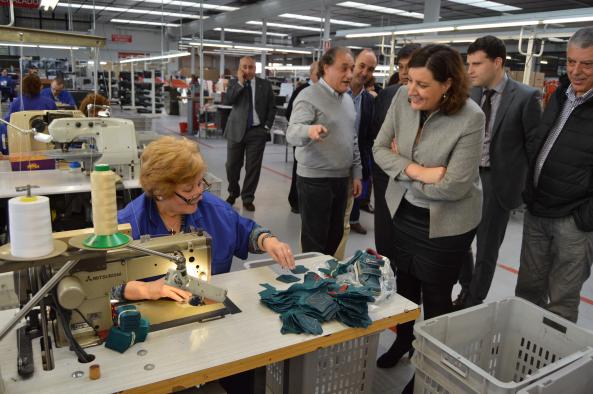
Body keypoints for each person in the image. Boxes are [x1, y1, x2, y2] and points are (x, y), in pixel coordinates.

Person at [372, 45, 484, 391]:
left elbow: (454, 186)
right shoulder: (402, 101)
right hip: (404, 212)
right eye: (410, 81)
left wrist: (402, 170)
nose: (412, 90)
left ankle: (428, 369)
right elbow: (378, 150)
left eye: (422, 84)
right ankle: (404, 340)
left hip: (447, 223)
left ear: (447, 84)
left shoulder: (470, 117)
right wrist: (418, 170)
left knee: (436, 299)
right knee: (404, 288)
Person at [117, 136, 295, 287]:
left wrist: (269, 242)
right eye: (188, 189)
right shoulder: (129, 224)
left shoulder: (215, 211)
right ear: (159, 192)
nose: (199, 193)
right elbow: (107, 286)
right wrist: (145, 290)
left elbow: (247, 233)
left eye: (200, 183)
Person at [454, 36, 542, 308]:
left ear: (497, 62)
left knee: (486, 250)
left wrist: (523, 189)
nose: (470, 70)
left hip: (497, 182)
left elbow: (534, 149)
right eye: (468, 64)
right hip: (466, 178)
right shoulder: (472, 93)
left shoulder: (526, 97)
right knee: (457, 240)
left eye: (477, 64)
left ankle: (472, 300)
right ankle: (466, 287)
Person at [516, 27, 593, 323]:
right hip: (538, 210)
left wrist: (584, 217)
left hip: (573, 222)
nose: (577, 71)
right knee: (527, 289)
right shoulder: (560, 95)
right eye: (572, 61)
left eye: (587, 63)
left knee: (561, 300)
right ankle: (521, 346)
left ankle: (549, 361)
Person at [286, 47, 362, 257]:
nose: (349, 75)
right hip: (315, 181)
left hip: (341, 180)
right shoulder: (308, 96)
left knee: (335, 236)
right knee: (314, 240)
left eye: (352, 69)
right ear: (326, 68)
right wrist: (309, 130)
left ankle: (325, 280)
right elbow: (291, 133)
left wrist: (357, 173)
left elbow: (352, 138)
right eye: (344, 68)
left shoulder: (347, 99)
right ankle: (312, 284)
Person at [371, 44, 421, 282]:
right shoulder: (388, 95)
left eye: (409, 67)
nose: (403, 72)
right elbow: (375, 139)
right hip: (386, 179)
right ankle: (386, 284)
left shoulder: (430, 101)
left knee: (410, 244)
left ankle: (409, 290)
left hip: (417, 182)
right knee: (385, 240)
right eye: (400, 67)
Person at [335, 48, 377, 263]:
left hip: (354, 169)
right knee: (326, 223)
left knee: (344, 224)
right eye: (361, 66)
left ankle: (335, 264)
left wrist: (362, 171)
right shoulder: (336, 94)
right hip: (331, 168)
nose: (364, 72)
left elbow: (367, 138)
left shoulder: (369, 101)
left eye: (370, 69)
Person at [224, 56, 276, 212]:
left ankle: (248, 197)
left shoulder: (265, 85)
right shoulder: (234, 83)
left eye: (250, 67)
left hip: (257, 131)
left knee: (253, 167)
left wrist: (266, 126)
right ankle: (233, 193)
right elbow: (229, 100)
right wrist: (240, 83)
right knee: (232, 166)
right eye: (244, 67)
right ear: (239, 68)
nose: (247, 70)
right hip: (236, 130)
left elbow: (271, 107)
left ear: (255, 68)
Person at [286, 61, 319, 214]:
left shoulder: (324, 91)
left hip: (319, 142)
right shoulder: (302, 90)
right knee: (298, 170)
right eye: (317, 73)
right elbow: (289, 113)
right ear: (311, 74)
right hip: (302, 138)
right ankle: (295, 201)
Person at [0, 74, 57, 155]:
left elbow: (8, 124)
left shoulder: (16, 103)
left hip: (21, 147)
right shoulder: (49, 103)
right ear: (40, 87)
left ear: (23, 87)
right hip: (46, 146)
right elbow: (56, 125)